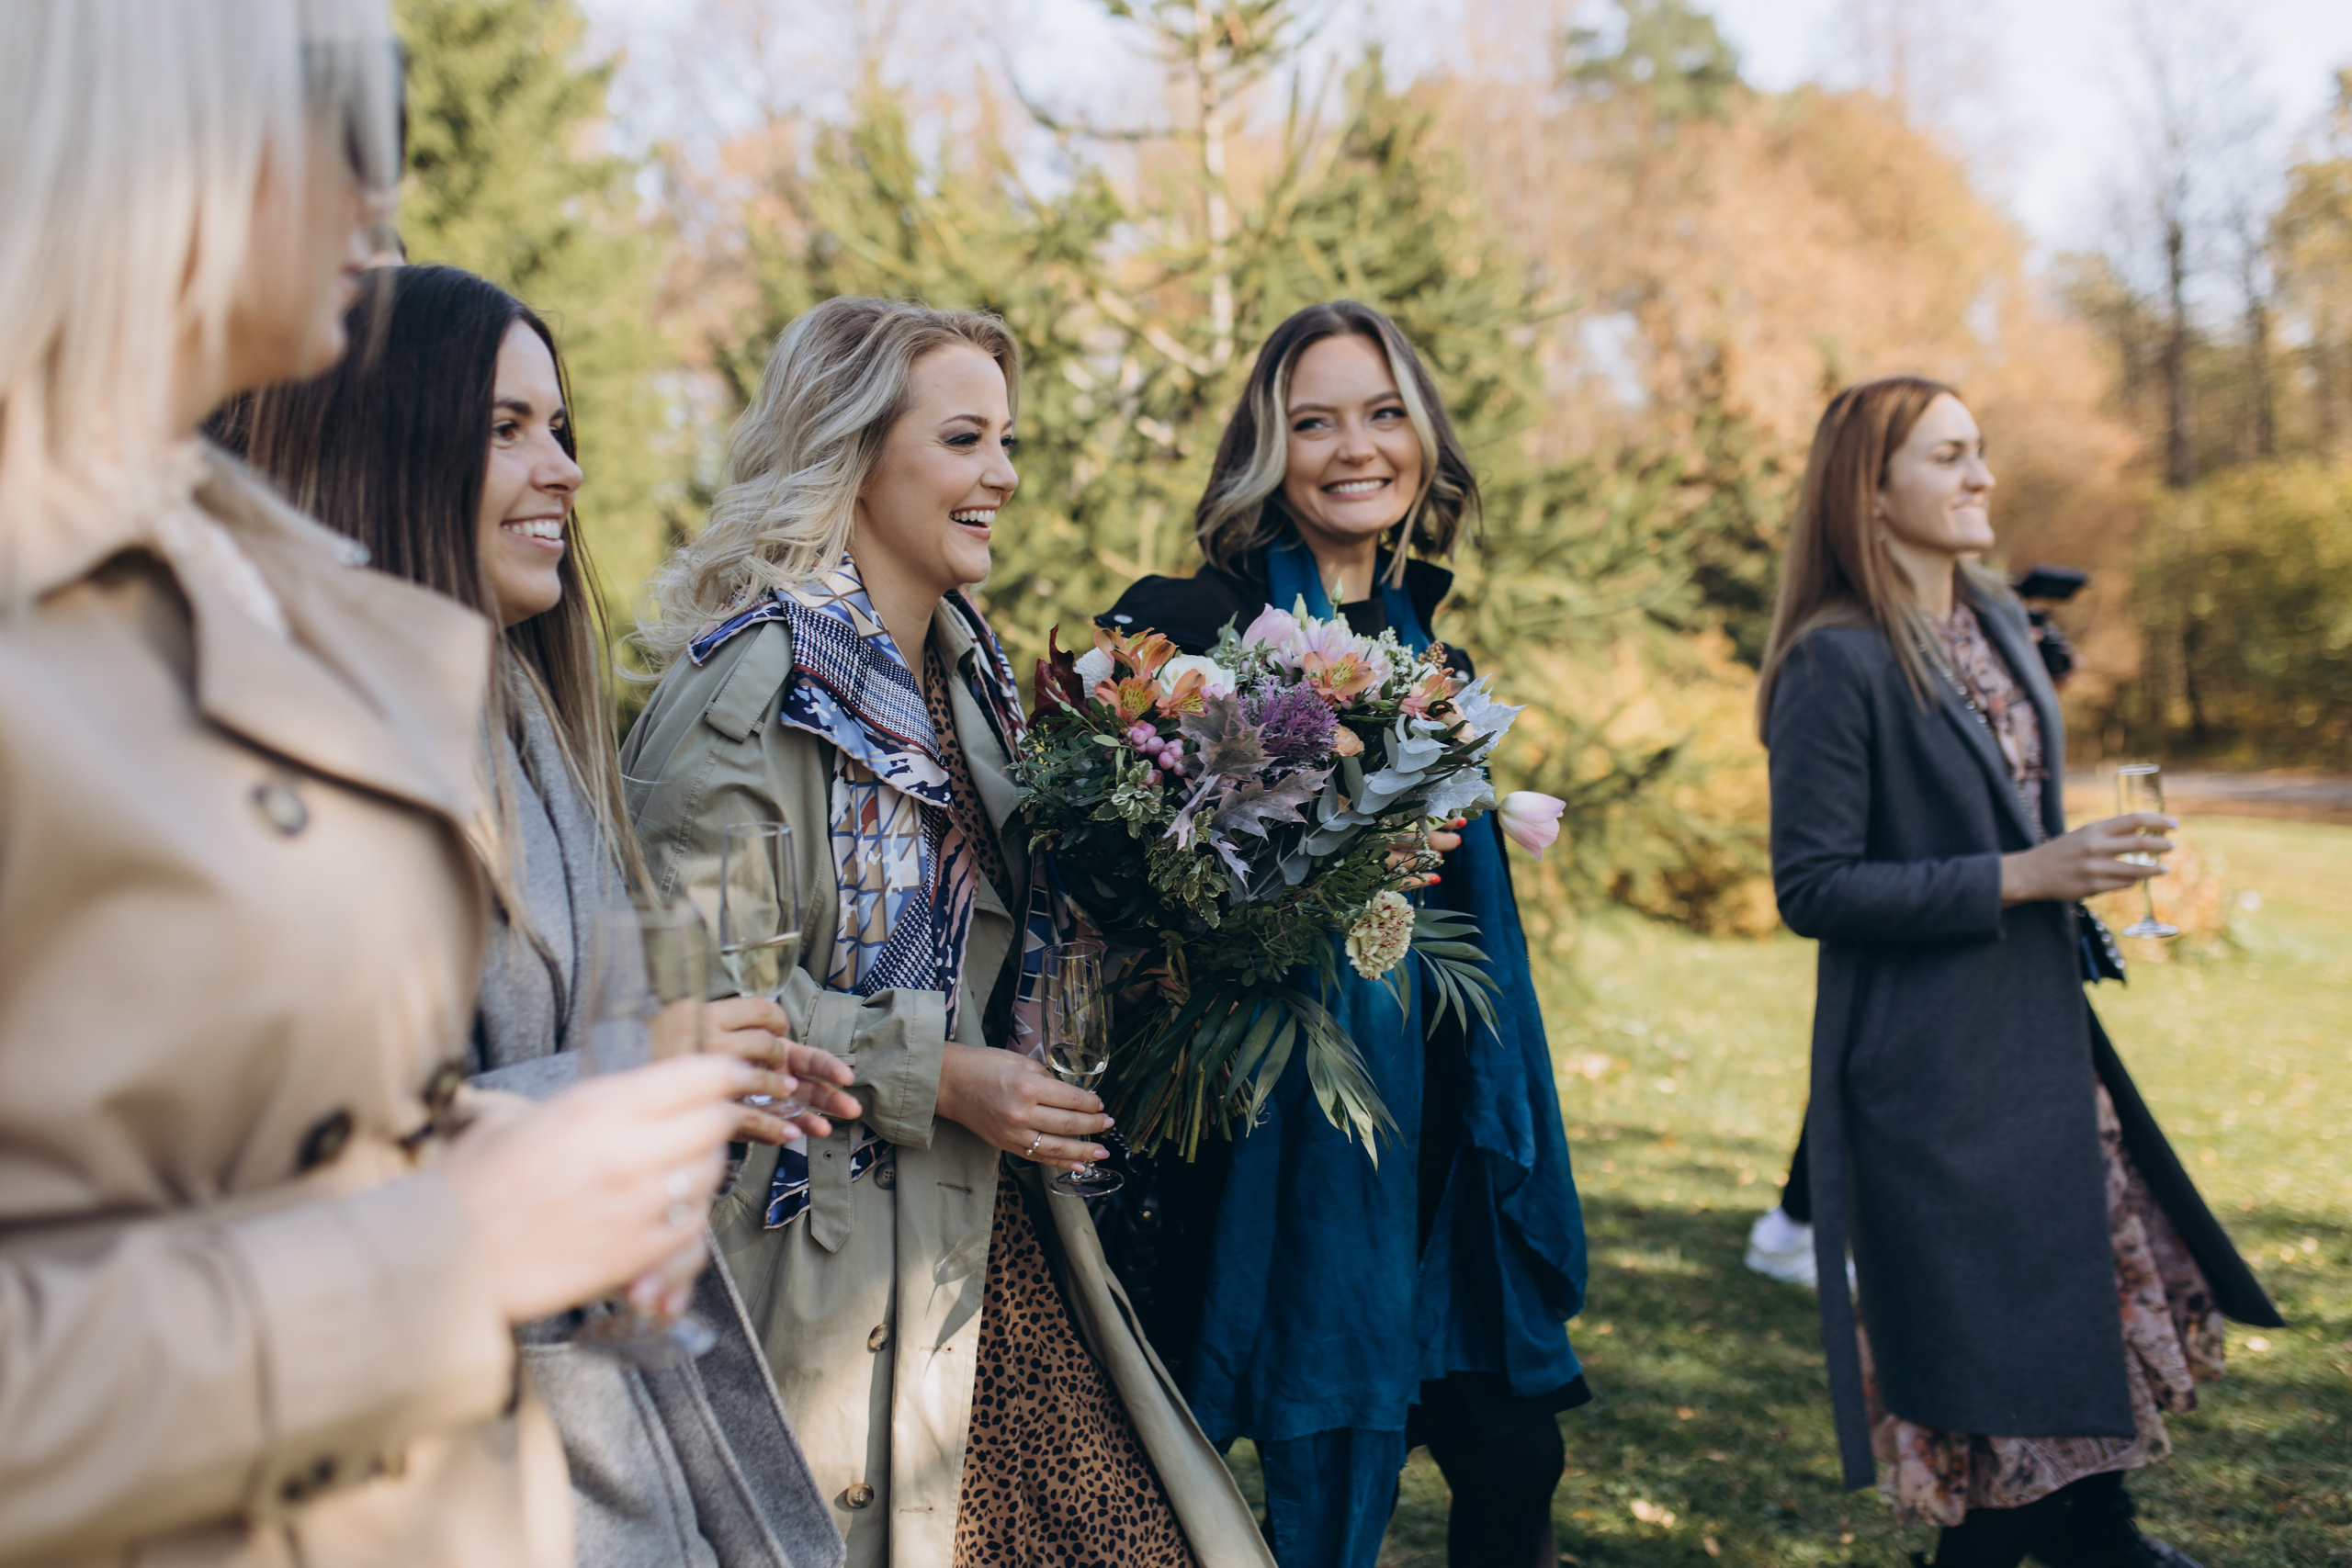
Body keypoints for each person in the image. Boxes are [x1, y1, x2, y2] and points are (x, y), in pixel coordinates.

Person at [0, 5, 777, 1564]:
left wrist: (489, 1154)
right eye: (337, 125)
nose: (387, 186)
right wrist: (459, 1236)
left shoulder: (241, 592)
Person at [620, 296, 1273, 1568]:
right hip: (838, 1266)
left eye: (1007, 440)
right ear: (855, 450)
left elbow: (1005, 937)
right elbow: (685, 1007)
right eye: (967, 440)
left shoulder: (968, 674)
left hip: (1003, 1235)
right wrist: (947, 1079)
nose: (1004, 476)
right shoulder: (752, 689)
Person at [231, 262, 864, 1568]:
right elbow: (286, 1178)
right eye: (508, 430)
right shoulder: (301, 778)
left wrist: (701, 1090)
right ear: (382, 453)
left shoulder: (528, 730)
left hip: (617, 1421)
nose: (566, 469)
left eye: (562, 429)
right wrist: (634, 1083)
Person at [1757, 376, 2283, 1568]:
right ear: (1870, 493)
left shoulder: (1993, 622)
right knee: (1989, 1379)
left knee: (2064, 1334)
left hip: (2043, 1048)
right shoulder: (1832, 669)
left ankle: (2110, 1540)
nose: (1982, 476)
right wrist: (2029, 874)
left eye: (1977, 451)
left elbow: (2006, 805)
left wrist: (2074, 871)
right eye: (1948, 457)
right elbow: (1815, 888)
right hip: (1929, 1078)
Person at [1098, 299, 1589, 1568]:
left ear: (1423, 440)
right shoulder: (1184, 624)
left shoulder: (1438, 650)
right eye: (1313, 421)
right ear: (1269, 449)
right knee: (1223, 1486)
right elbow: (1112, 876)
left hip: (1439, 1139)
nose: (1354, 447)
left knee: (1512, 1453)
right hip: (1256, 1135)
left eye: (1382, 414)